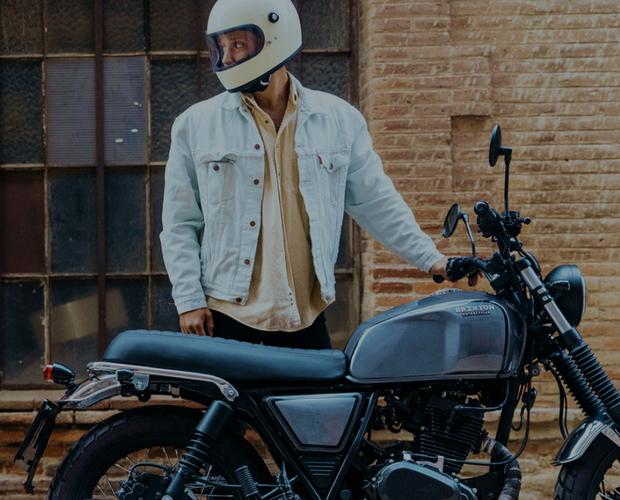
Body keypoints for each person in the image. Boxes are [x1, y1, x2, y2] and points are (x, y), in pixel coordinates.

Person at [159, 0, 449, 349]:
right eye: (221, 47)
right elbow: (180, 222)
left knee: (326, 406)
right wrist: (189, 300)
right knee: (223, 408)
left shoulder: (339, 120)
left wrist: (432, 259)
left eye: (237, 44)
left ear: (274, 38)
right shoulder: (195, 125)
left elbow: (375, 200)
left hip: (305, 318)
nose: (229, 57)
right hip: (226, 316)